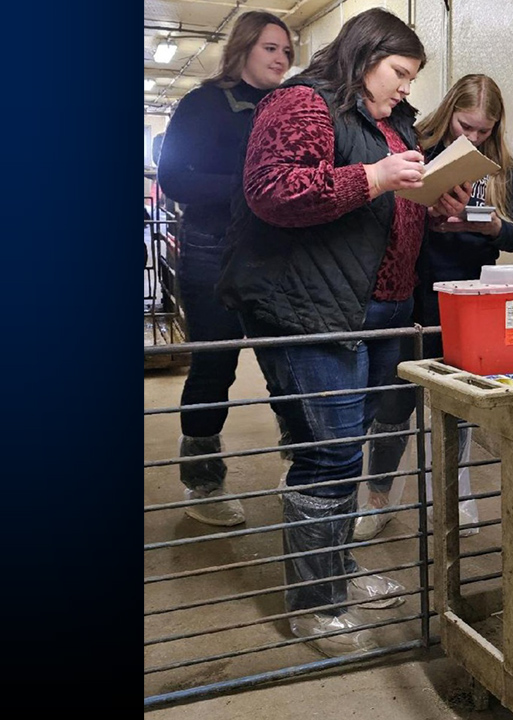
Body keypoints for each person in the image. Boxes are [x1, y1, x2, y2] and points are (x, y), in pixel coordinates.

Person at [216, 8, 467, 657]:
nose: (408, 88)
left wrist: (429, 197)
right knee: (327, 454)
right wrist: (378, 176)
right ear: (364, 56)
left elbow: (382, 199)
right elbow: (273, 190)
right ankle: (315, 607)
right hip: (313, 306)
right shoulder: (303, 103)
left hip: (377, 305)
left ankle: (335, 571)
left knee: (344, 449)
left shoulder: (392, 121)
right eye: (400, 73)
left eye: (413, 77)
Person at [353, 74, 513, 541]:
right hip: (417, 292)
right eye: (465, 126)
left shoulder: (502, 167)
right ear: (449, 110)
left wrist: (491, 226)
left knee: (461, 402)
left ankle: (456, 496)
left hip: (473, 299)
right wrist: (430, 218)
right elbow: (388, 217)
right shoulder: (417, 148)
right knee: (395, 401)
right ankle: (377, 497)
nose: (472, 138)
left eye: (483, 131)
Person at [157, 12, 294, 527]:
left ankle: (301, 466)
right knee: (215, 367)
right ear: (242, 49)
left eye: (286, 51)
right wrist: (249, 189)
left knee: (287, 364)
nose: (282, 59)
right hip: (211, 251)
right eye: (271, 49)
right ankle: (203, 480)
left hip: (276, 253)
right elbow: (174, 178)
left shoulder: (288, 105)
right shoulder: (202, 104)